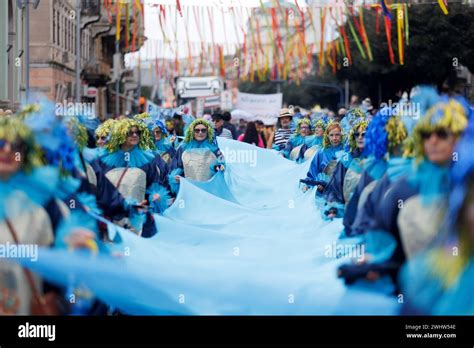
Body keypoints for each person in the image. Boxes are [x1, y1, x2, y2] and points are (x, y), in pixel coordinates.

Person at [337, 98, 469, 287]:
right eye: (426, 134)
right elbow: (387, 240)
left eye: (441, 134)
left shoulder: (466, 184)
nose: (433, 140)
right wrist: (379, 264)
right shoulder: (403, 185)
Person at [92, 118, 171, 237]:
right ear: (120, 134)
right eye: (130, 132)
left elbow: (154, 184)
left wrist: (155, 195)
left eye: (137, 132)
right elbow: (97, 187)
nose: (134, 135)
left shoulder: (147, 160)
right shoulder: (103, 160)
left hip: (137, 218)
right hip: (110, 216)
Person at [321, 120, 369, 219]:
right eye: (357, 134)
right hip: (349, 210)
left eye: (364, 134)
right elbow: (336, 186)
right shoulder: (346, 159)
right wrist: (334, 207)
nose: (360, 137)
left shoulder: (378, 159)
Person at [169, 119, 225, 193]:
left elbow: (222, 164)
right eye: (197, 130)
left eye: (203, 130)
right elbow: (177, 166)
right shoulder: (183, 148)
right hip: (190, 190)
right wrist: (175, 177)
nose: (200, 133)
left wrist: (221, 167)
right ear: (192, 131)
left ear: (207, 132)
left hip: (209, 190)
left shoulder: (214, 148)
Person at [300, 122, 345, 194]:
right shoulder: (321, 152)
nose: (334, 138)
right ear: (327, 136)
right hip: (324, 190)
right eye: (331, 135)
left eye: (337, 135)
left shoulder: (346, 151)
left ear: (341, 135)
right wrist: (310, 184)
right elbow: (313, 171)